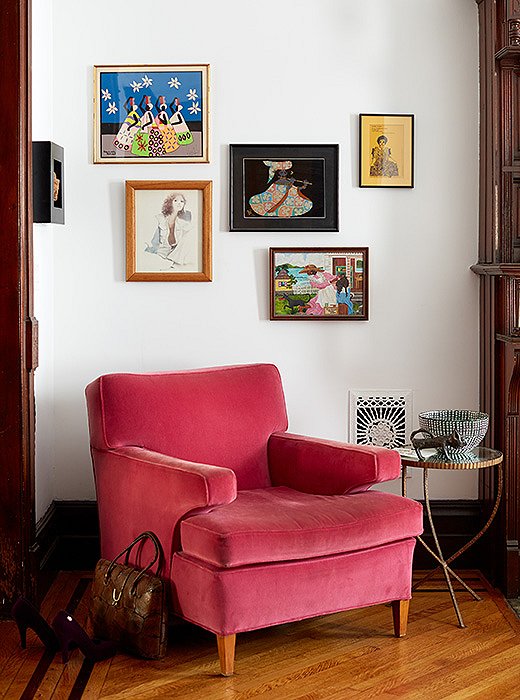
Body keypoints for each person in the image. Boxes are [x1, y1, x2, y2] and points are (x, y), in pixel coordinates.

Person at [145, 192, 193, 266]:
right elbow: (150, 242)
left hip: (174, 258)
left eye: (182, 201)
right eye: (175, 200)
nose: (179, 203)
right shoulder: (159, 219)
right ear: (170, 203)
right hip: (159, 255)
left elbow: (189, 238)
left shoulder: (182, 222)